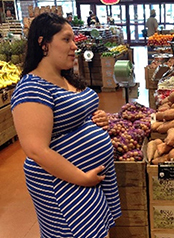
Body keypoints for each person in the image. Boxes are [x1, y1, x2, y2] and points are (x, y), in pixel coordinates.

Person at [11, 12, 121, 238]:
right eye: (66, 39)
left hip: (86, 180)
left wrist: (96, 117)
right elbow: (36, 149)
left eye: (74, 39)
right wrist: (82, 178)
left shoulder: (66, 77)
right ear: (43, 43)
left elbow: (73, 117)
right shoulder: (32, 88)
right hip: (63, 185)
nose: (74, 46)